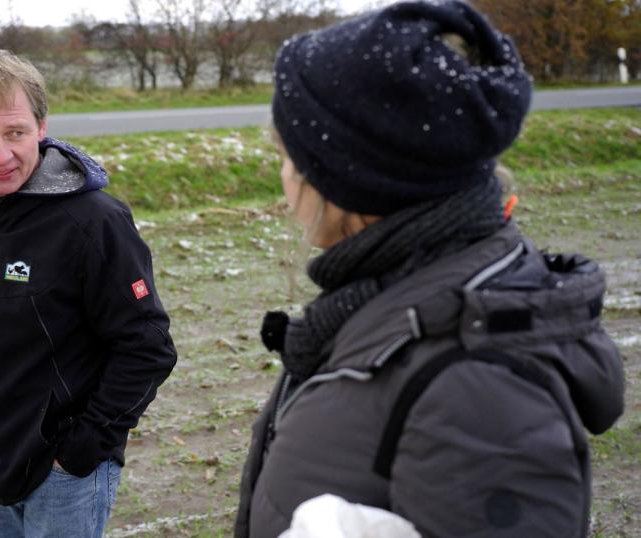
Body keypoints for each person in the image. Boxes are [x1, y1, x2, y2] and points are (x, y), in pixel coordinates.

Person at [235, 2, 625, 537]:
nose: (283, 183)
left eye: (288, 157)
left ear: (353, 179)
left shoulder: (478, 387)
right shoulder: (386, 294)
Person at [0, 49, 177, 537]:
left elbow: (148, 347)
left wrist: (78, 451)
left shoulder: (94, 222)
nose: (0, 155)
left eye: (15, 133)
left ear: (41, 125)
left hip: (63, 479)